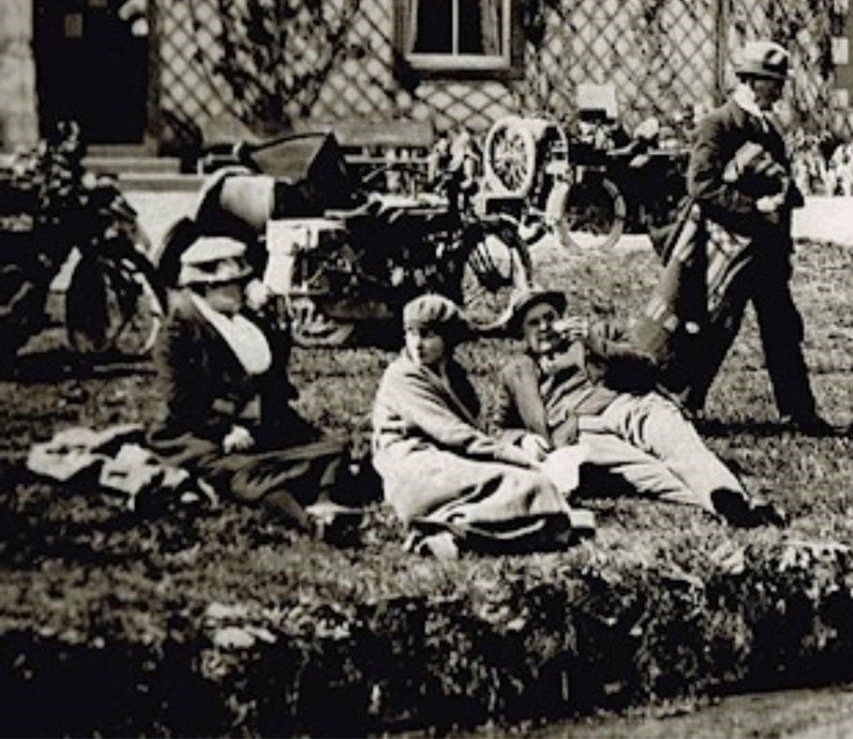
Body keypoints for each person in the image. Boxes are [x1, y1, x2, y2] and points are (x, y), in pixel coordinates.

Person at [148, 236, 376, 541]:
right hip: (196, 431)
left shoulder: (243, 319)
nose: (244, 288)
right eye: (234, 283)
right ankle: (310, 523)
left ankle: (326, 504)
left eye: (244, 280)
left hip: (256, 423)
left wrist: (277, 321)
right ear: (206, 287)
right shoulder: (179, 330)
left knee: (329, 448)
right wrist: (224, 430)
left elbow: (271, 373)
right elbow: (181, 398)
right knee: (246, 470)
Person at [655, 40, 829, 434]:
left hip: (764, 253)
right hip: (726, 251)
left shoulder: (768, 126)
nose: (781, 89)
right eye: (774, 82)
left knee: (782, 329)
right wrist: (753, 209)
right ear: (751, 82)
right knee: (714, 329)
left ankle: (799, 412)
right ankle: (681, 405)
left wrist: (782, 227)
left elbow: (777, 185)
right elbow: (701, 184)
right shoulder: (720, 123)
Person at [496, 288, 784, 526]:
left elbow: (649, 364)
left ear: (562, 318)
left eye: (550, 317)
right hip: (580, 431)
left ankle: (731, 500)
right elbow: (496, 430)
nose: (545, 327)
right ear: (522, 333)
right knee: (647, 473)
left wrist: (595, 344)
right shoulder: (515, 373)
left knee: (680, 446)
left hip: (631, 404)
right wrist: (523, 439)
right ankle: (734, 505)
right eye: (534, 323)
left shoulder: (597, 332)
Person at [370, 294, 579, 558]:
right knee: (526, 484)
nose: (417, 344)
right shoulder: (403, 376)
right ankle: (452, 532)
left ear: (447, 339)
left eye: (427, 335)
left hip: (448, 458)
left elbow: (474, 431)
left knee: (534, 490)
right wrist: (525, 460)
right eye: (411, 334)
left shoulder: (453, 375)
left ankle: (460, 537)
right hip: (415, 467)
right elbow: (458, 435)